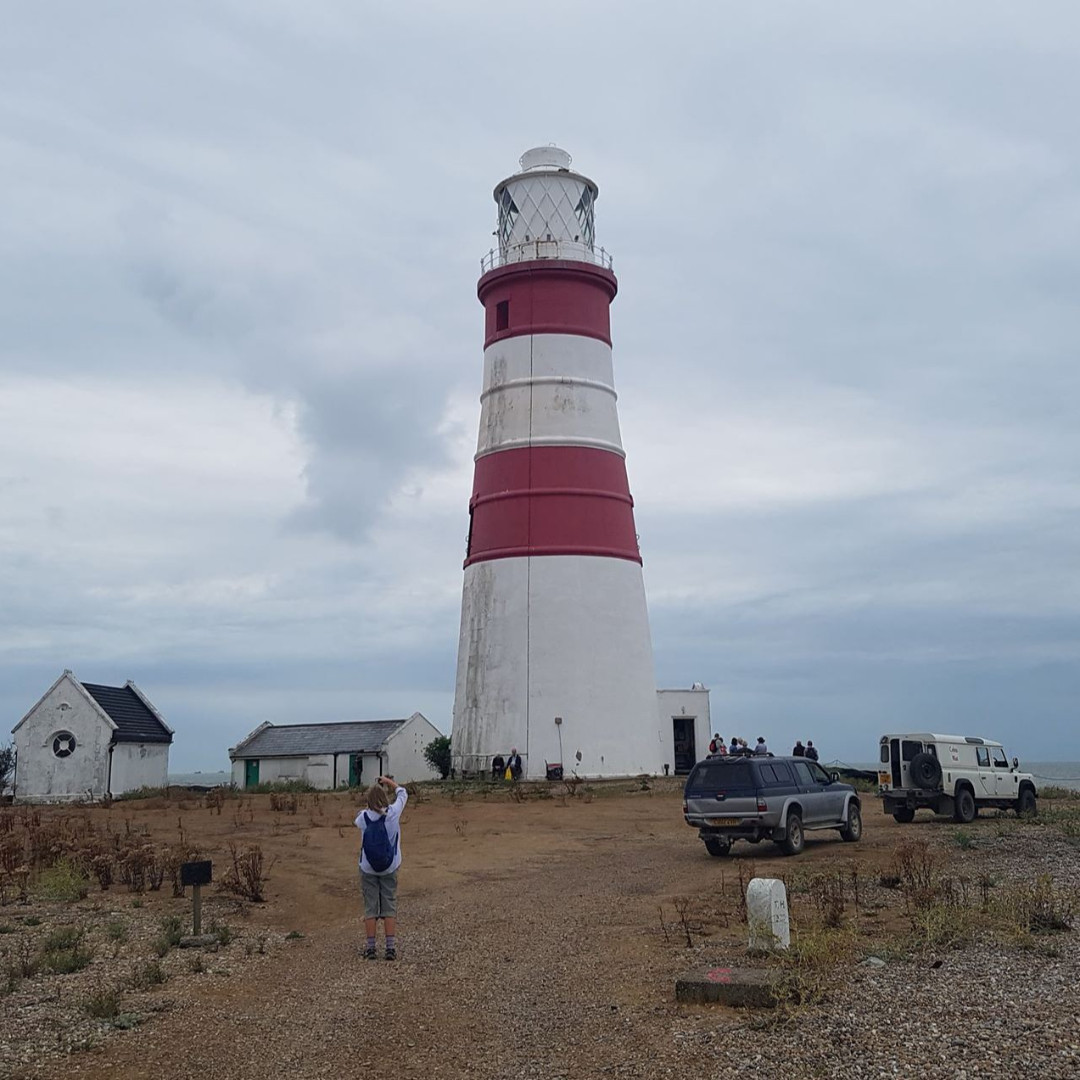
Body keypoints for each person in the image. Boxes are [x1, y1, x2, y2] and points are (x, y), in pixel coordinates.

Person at [355, 775, 408, 961]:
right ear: (385, 798)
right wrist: (388, 781)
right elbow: (403, 792)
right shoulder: (393, 813)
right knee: (389, 904)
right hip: (389, 866)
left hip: (368, 867)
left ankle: (371, 948)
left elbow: (358, 821)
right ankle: (390, 948)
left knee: (370, 907)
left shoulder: (363, 817)